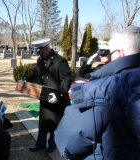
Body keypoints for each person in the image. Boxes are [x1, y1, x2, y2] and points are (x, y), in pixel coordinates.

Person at [54, 25, 140, 160]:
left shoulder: (106, 88)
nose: (104, 57)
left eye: (109, 54)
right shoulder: (103, 70)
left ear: (120, 53)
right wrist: (90, 60)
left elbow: (69, 142)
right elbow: (82, 73)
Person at [24, 38, 72, 153]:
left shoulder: (60, 61)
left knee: (55, 123)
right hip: (44, 96)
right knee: (44, 122)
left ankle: (52, 144)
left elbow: (67, 80)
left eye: (40, 51)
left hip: (57, 99)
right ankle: (40, 144)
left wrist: (58, 93)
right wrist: (26, 80)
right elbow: (35, 71)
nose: (39, 54)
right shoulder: (40, 60)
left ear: (46, 48)